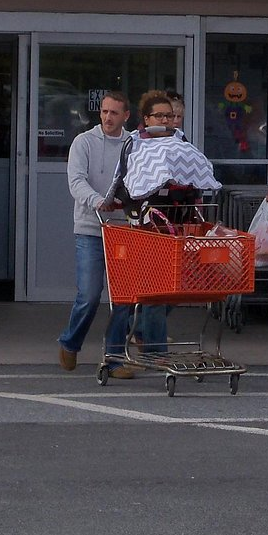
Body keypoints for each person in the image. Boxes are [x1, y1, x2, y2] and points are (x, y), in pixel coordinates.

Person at [108, 90, 220, 359]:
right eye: (161, 115)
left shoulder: (180, 142)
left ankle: (144, 332)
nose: (168, 120)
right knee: (156, 291)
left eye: (171, 116)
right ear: (146, 119)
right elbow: (125, 182)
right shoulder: (135, 145)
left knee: (177, 286)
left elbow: (196, 171)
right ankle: (156, 352)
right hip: (148, 226)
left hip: (179, 223)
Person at [56, 91, 134, 376]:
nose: (107, 117)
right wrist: (97, 201)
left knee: (123, 297)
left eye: (114, 113)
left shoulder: (133, 144)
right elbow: (76, 181)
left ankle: (114, 358)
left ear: (126, 116)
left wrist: (126, 202)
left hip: (123, 229)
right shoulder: (84, 142)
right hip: (91, 228)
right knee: (89, 295)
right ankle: (70, 341)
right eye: (104, 112)